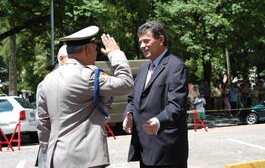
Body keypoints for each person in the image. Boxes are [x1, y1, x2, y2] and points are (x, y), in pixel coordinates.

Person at [37, 26, 133, 168]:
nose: (95, 54)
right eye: (95, 50)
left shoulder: (47, 80)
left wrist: (46, 157)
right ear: (88, 50)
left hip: (57, 157)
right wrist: (116, 54)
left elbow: (43, 125)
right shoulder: (88, 75)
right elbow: (126, 83)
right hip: (86, 158)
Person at [123, 21, 188, 168]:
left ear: (161, 40)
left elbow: (177, 105)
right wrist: (129, 114)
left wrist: (159, 121)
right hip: (144, 147)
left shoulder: (176, 66)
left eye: (146, 41)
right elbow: (133, 99)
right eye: (140, 42)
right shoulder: (143, 68)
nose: (142, 46)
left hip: (166, 150)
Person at [35, 45, 68, 168]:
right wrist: (46, 151)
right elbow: (42, 121)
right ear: (61, 60)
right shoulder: (44, 85)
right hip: (52, 148)